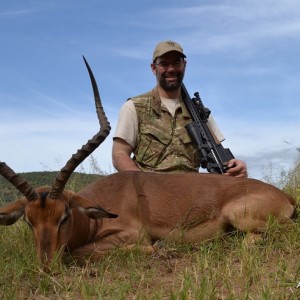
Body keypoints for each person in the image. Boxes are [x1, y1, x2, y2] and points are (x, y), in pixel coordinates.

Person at [112, 40, 248, 178]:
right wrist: (144, 185)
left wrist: (237, 167)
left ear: (184, 65)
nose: (171, 69)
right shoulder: (134, 107)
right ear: (153, 68)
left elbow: (220, 155)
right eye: (164, 64)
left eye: (176, 63)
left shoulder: (200, 112)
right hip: (149, 192)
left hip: (191, 191)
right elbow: (119, 154)